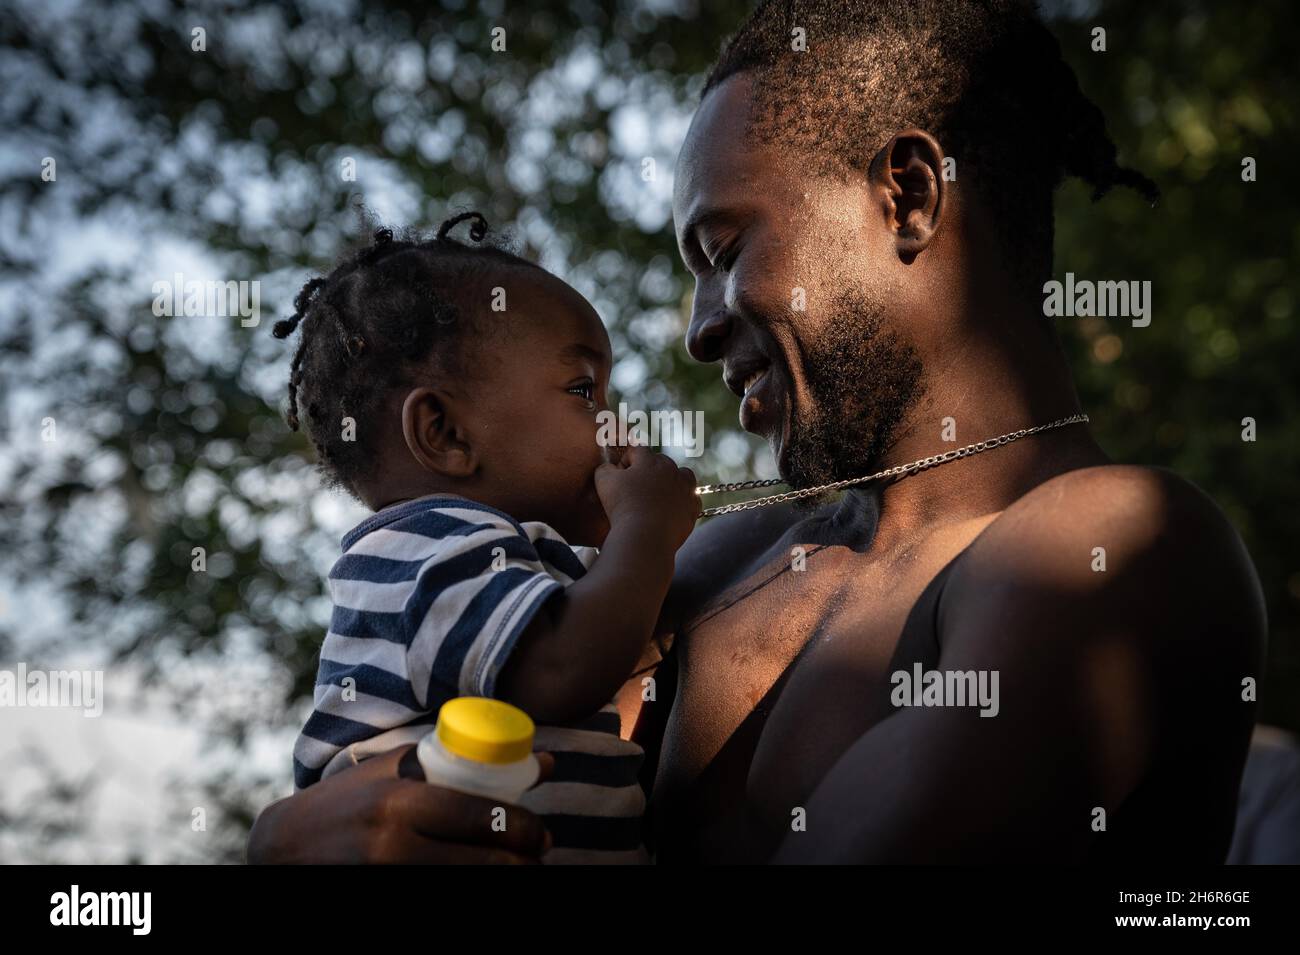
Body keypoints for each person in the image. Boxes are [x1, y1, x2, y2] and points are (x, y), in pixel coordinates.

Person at [249, 0, 1266, 864]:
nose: (697, 329)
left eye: (724, 247)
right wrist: (294, 841)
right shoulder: (712, 560)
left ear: (907, 197)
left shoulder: (1114, 545)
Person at [268, 214, 698, 863]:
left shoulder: (499, 561)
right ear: (444, 432)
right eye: (584, 390)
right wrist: (647, 531)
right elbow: (561, 668)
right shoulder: (427, 548)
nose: (614, 423)